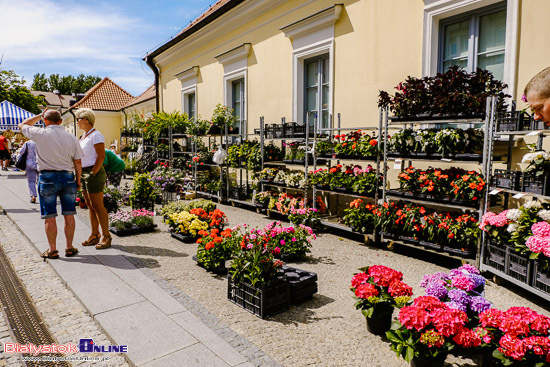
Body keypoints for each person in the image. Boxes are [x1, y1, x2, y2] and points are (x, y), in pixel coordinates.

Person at [18, 109, 82, 259]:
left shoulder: (39, 133)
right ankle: (69, 247)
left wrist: (40, 116)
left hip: (47, 178)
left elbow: (22, 124)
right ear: (60, 121)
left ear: (45, 121)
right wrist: (78, 180)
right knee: (69, 214)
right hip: (67, 177)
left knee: (49, 216)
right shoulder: (71, 137)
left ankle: (53, 250)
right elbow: (78, 161)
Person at [76, 108, 111, 249]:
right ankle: (95, 234)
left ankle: (106, 236)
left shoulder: (96, 135)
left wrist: (93, 172)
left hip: (93, 171)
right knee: (90, 205)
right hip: (84, 171)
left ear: (86, 119)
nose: (77, 122)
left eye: (78, 119)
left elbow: (101, 156)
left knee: (98, 205)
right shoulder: (84, 136)